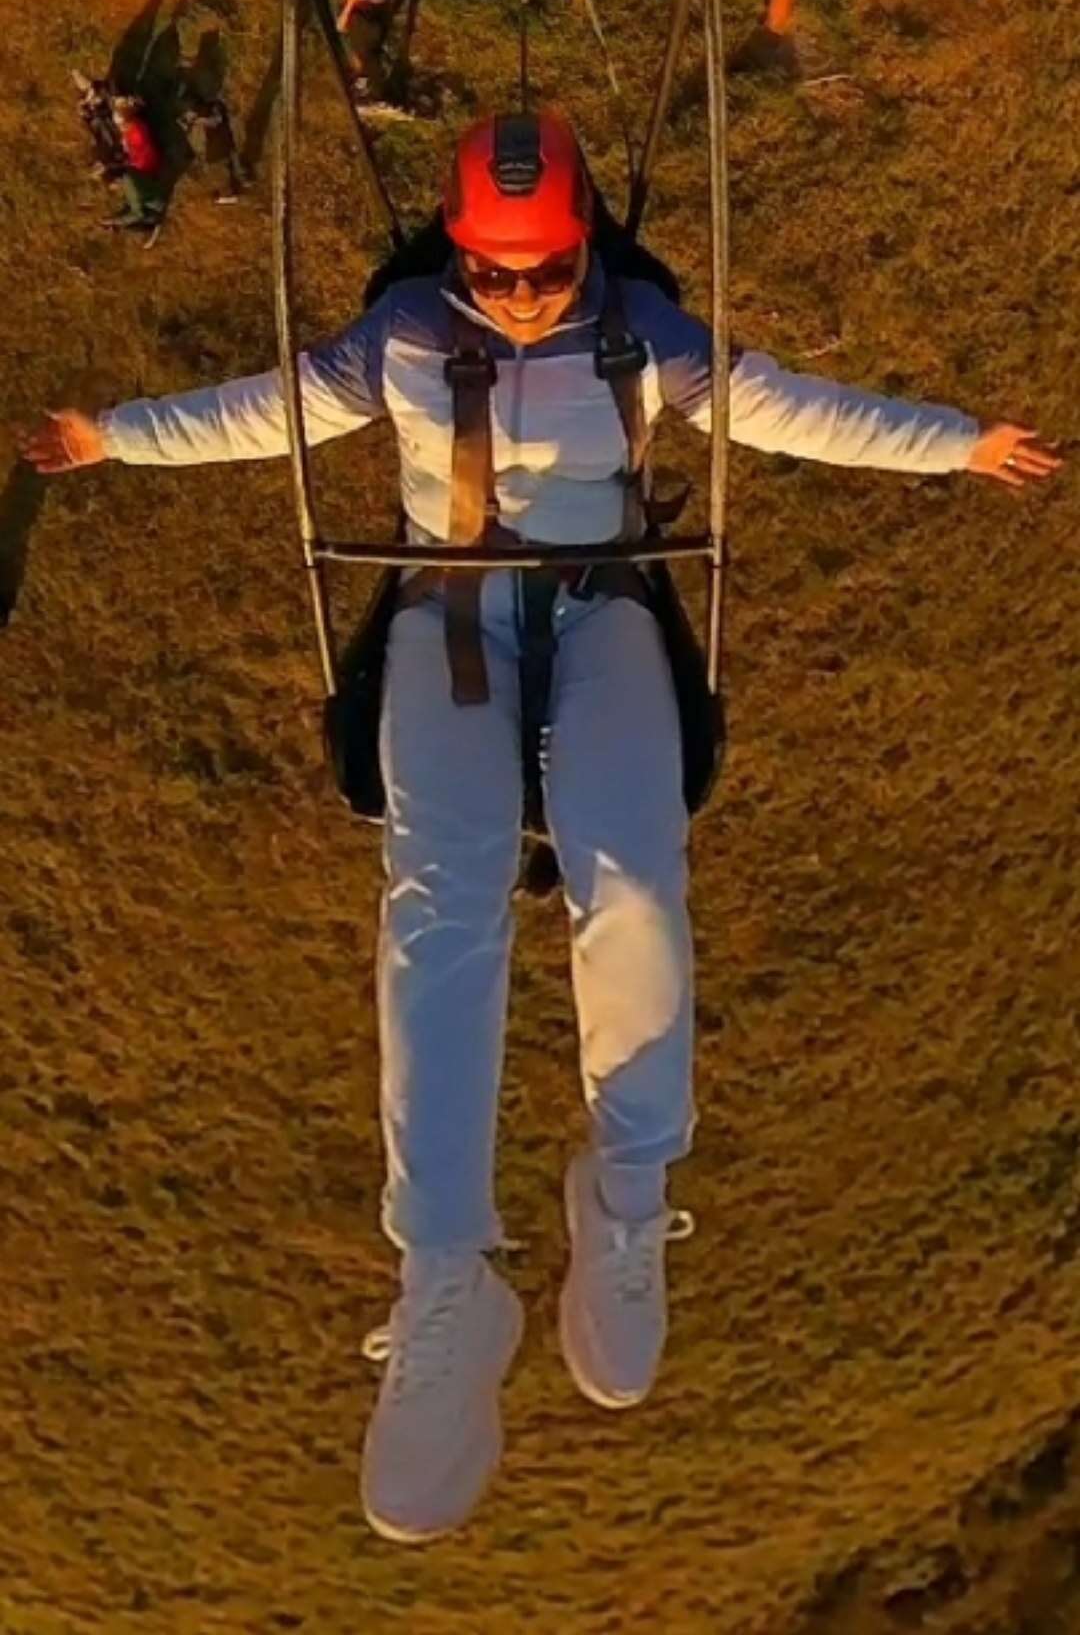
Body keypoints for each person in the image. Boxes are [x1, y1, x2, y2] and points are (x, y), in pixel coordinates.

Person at [16, 111, 1062, 1545]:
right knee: (436, 898)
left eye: (546, 272)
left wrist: (957, 448)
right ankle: (446, 1272)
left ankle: (625, 1193)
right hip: (449, 612)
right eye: (492, 275)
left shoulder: (643, 338)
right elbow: (264, 408)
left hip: (603, 603)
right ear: (455, 257)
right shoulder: (394, 337)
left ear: (583, 247)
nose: (520, 298)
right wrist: (113, 439)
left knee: (631, 876)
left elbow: (786, 405)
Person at [102, 95, 166, 243]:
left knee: (135, 215)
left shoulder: (131, 182)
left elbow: (136, 213)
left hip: (146, 172)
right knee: (130, 207)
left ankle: (150, 227)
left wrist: (113, 221)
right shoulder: (133, 128)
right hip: (141, 169)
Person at [178, 89, 249, 203]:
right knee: (230, 158)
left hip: (221, 142)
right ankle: (241, 180)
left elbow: (216, 121)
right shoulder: (208, 107)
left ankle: (230, 193)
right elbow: (186, 121)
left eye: (191, 109)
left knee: (222, 163)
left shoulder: (213, 108)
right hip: (221, 141)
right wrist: (186, 123)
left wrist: (197, 121)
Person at [72, 71, 125, 178]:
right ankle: (92, 89)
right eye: (97, 167)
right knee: (99, 95)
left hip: (102, 115)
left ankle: (88, 87)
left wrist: (86, 115)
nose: (96, 163)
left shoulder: (99, 149)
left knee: (88, 99)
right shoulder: (114, 154)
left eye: (94, 165)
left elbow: (96, 132)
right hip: (112, 114)